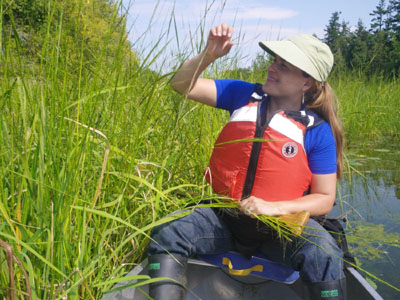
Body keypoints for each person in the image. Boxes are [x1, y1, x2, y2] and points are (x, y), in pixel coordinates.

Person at [147, 23, 346, 300]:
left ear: (307, 82)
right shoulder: (242, 95)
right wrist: (208, 55)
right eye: (274, 61)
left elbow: (324, 198)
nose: (271, 68)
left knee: (323, 253)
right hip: (224, 220)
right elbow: (181, 85)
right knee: (168, 232)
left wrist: (273, 207)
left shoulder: (317, 131)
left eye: (284, 66)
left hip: (281, 231)